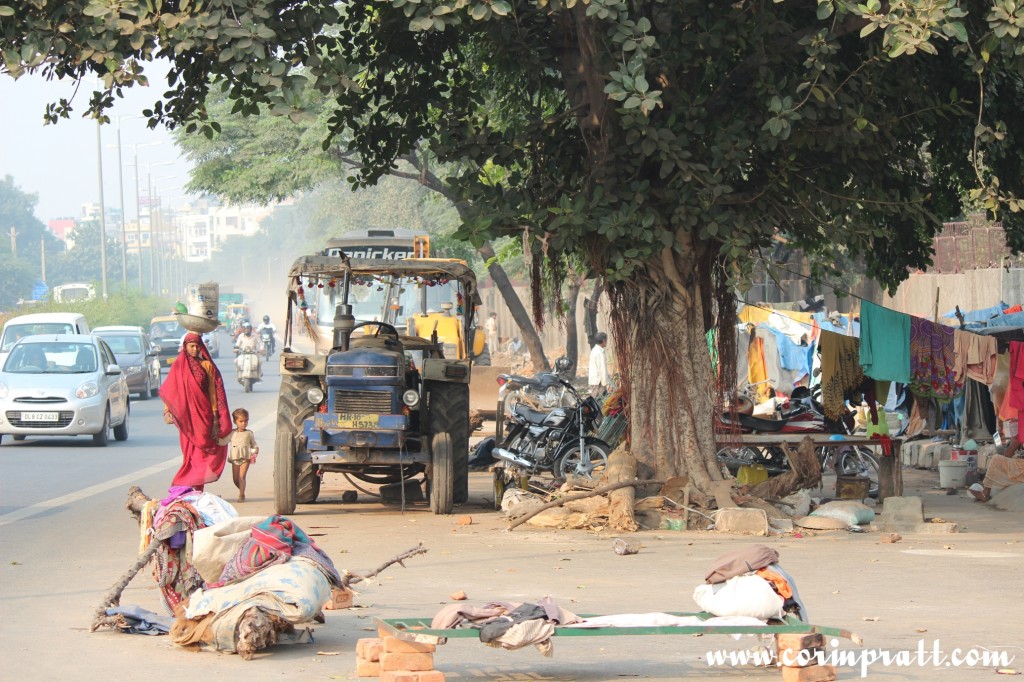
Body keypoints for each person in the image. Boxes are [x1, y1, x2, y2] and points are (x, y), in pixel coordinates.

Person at [159, 332, 231, 491]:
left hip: (203, 416)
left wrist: (215, 418)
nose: (194, 349)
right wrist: (167, 411)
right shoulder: (178, 366)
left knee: (201, 455)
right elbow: (172, 390)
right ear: (185, 347)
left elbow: (213, 392)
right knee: (189, 455)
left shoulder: (206, 366)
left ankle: (196, 488)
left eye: (197, 346)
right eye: (191, 346)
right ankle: (184, 485)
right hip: (187, 419)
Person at [218, 407, 259, 503]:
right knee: (235, 479)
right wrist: (215, 440)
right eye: (241, 421)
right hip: (235, 458)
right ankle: (242, 489)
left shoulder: (249, 433)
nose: (243, 423)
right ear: (235, 421)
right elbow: (224, 441)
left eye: (245, 421)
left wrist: (255, 450)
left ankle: (241, 495)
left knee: (242, 477)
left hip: (246, 457)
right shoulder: (232, 433)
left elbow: (254, 444)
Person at [589, 331, 609, 397]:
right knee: (598, 402)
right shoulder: (599, 353)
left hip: (595, 381)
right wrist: (606, 384)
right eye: (606, 340)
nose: (607, 342)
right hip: (598, 382)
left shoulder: (595, 350)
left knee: (596, 402)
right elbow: (602, 369)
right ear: (603, 340)